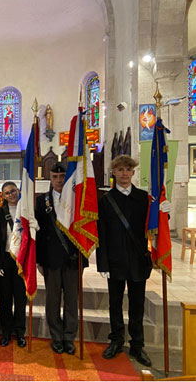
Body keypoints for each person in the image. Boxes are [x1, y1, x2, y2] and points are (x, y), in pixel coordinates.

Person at [97, 155, 154, 367]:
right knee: (115, 303)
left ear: (133, 172)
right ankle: (116, 340)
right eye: (120, 169)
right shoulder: (106, 200)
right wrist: (102, 263)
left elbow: (153, 224)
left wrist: (163, 214)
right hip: (115, 260)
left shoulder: (143, 198)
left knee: (137, 305)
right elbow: (102, 234)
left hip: (138, 259)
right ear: (114, 172)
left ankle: (138, 345)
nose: (124, 173)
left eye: (128, 170)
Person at [35, 162, 88, 355]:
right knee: (53, 301)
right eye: (55, 177)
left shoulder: (77, 200)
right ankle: (56, 337)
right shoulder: (42, 202)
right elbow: (39, 234)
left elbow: (85, 229)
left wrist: (84, 256)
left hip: (73, 258)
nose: (58, 180)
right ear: (50, 178)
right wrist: (38, 261)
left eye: (62, 177)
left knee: (72, 301)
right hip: (51, 260)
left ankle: (69, 338)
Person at [0, 181, 27, 348]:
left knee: (20, 298)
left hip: (21, 260)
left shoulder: (26, 212)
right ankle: (5, 332)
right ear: (3, 196)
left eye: (13, 191)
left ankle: (20, 332)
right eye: (7, 193)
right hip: (5, 260)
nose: (11, 195)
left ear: (18, 191)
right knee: (5, 299)